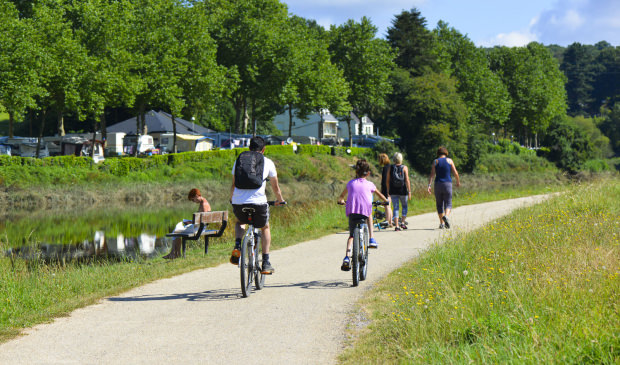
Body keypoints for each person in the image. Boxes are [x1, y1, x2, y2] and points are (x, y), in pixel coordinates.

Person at [229, 136, 285, 274]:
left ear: (249, 148)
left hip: (238, 201)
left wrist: (232, 199)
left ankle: (237, 245)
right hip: (259, 202)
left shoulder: (239, 160)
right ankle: (266, 262)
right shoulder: (268, 162)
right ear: (264, 149)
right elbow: (275, 188)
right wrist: (280, 200)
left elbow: (234, 183)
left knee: (240, 222)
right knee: (265, 227)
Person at [337, 159, 388, 271]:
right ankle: (372, 238)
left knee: (351, 235)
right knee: (369, 213)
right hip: (365, 213)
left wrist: (341, 201)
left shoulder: (350, 183)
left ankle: (346, 257)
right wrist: (386, 201)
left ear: (356, 172)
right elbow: (381, 196)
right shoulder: (370, 184)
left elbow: (341, 197)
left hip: (352, 213)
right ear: (368, 173)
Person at [163, 188, 211, 259]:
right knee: (177, 227)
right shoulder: (205, 202)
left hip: (198, 229)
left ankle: (174, 253)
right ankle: (175, 253)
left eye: (193, 199)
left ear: (196, 196)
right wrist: (191, 222)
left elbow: (202, 221)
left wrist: (191, 222)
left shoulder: (203, 205)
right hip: (200, 227)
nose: (193, 201)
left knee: (176, 231)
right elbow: (202, 220)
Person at [427, 146, 461, 229]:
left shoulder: (435, 161)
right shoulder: (450, 161)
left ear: (438, 153)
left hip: (438, 184)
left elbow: (432, 174)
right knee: (448, 203)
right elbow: (455, 173)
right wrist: (458, 182)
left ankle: (442, 223)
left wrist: (429, 185)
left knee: (439, 204)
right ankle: (446, 216)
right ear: (446, 152)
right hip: (447, 184)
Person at [386, 152, 411, 231]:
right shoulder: (404, 167)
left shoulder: (390, 167)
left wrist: (387, 190)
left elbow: (387, 180)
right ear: (401, 159)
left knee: (395, 208)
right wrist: (409, 191)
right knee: (404, 206)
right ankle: (402, 223)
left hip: (393, 190)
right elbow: (407, 180)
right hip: (403, 190)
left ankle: (396, 226)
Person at [378, 153, 394, 228]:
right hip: (391, 189)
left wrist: (384, 191)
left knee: (386, 206)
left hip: (386, 189)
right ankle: (390, 222)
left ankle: (387, 221)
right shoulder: (391, 166)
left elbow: (384, 181)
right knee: (389, 206)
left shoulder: (385, 168)